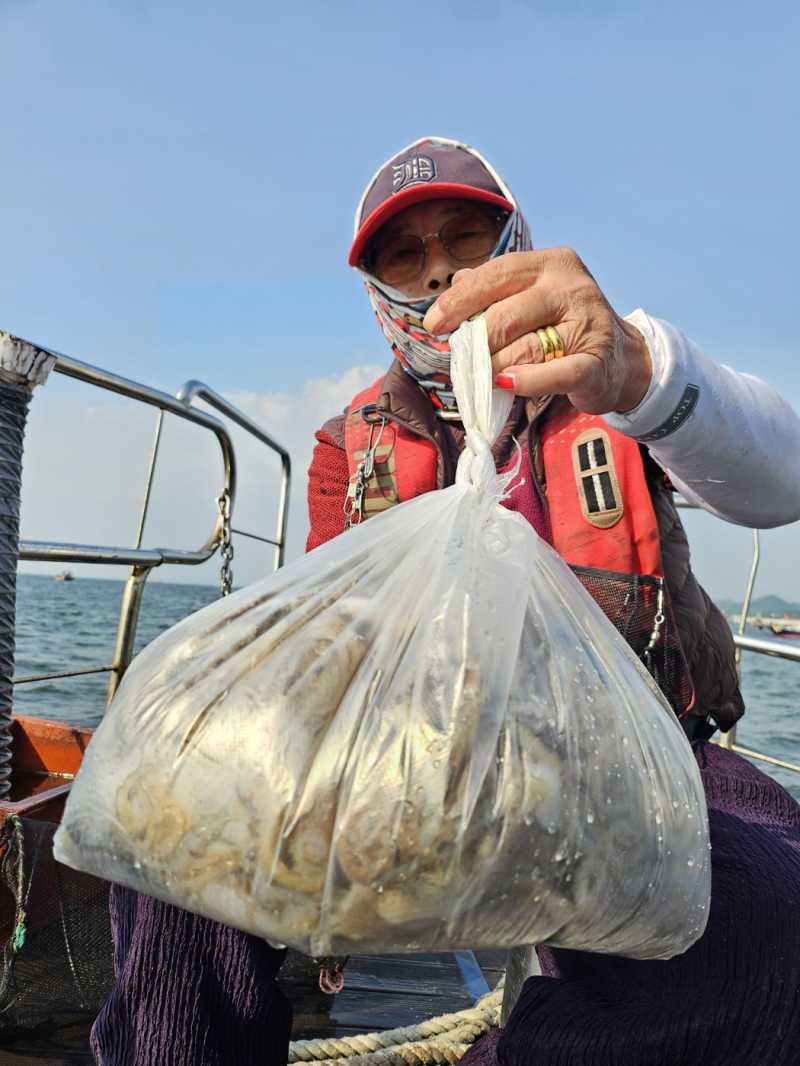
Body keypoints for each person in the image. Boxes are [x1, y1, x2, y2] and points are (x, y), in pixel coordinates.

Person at [92, 137, 800, 1066]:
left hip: (643, 763)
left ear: (517, 240)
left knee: (779, 914)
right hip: (412, 771)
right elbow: (326, 639)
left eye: (467, 237)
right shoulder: (351, 444)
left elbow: (781, 480)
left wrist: (633, 369)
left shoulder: (617, 387)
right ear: (377, 288)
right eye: (405, 254)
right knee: (174, 816)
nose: (439, 270)